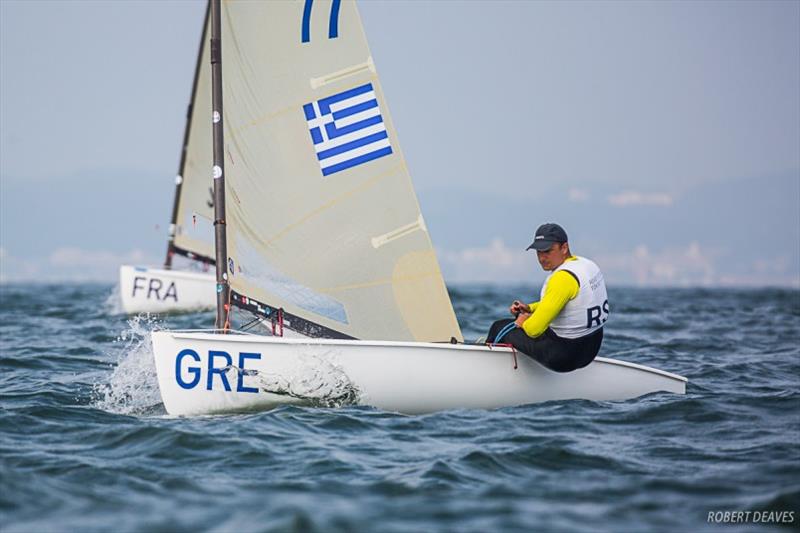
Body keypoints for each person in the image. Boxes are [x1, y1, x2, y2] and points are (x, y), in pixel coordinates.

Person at [486, 223, 609, 372]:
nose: (542, 258)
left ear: (564, 248)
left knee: (500, 327)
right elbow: (565, 302)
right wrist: (530, 308)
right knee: (526, 321)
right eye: (539, 252)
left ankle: (488, 372)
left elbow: (533, 330)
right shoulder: (587, 266)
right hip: (591, 348)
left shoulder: (562, 279)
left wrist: (523, 321)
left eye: (548, 251)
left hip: (565, 357)